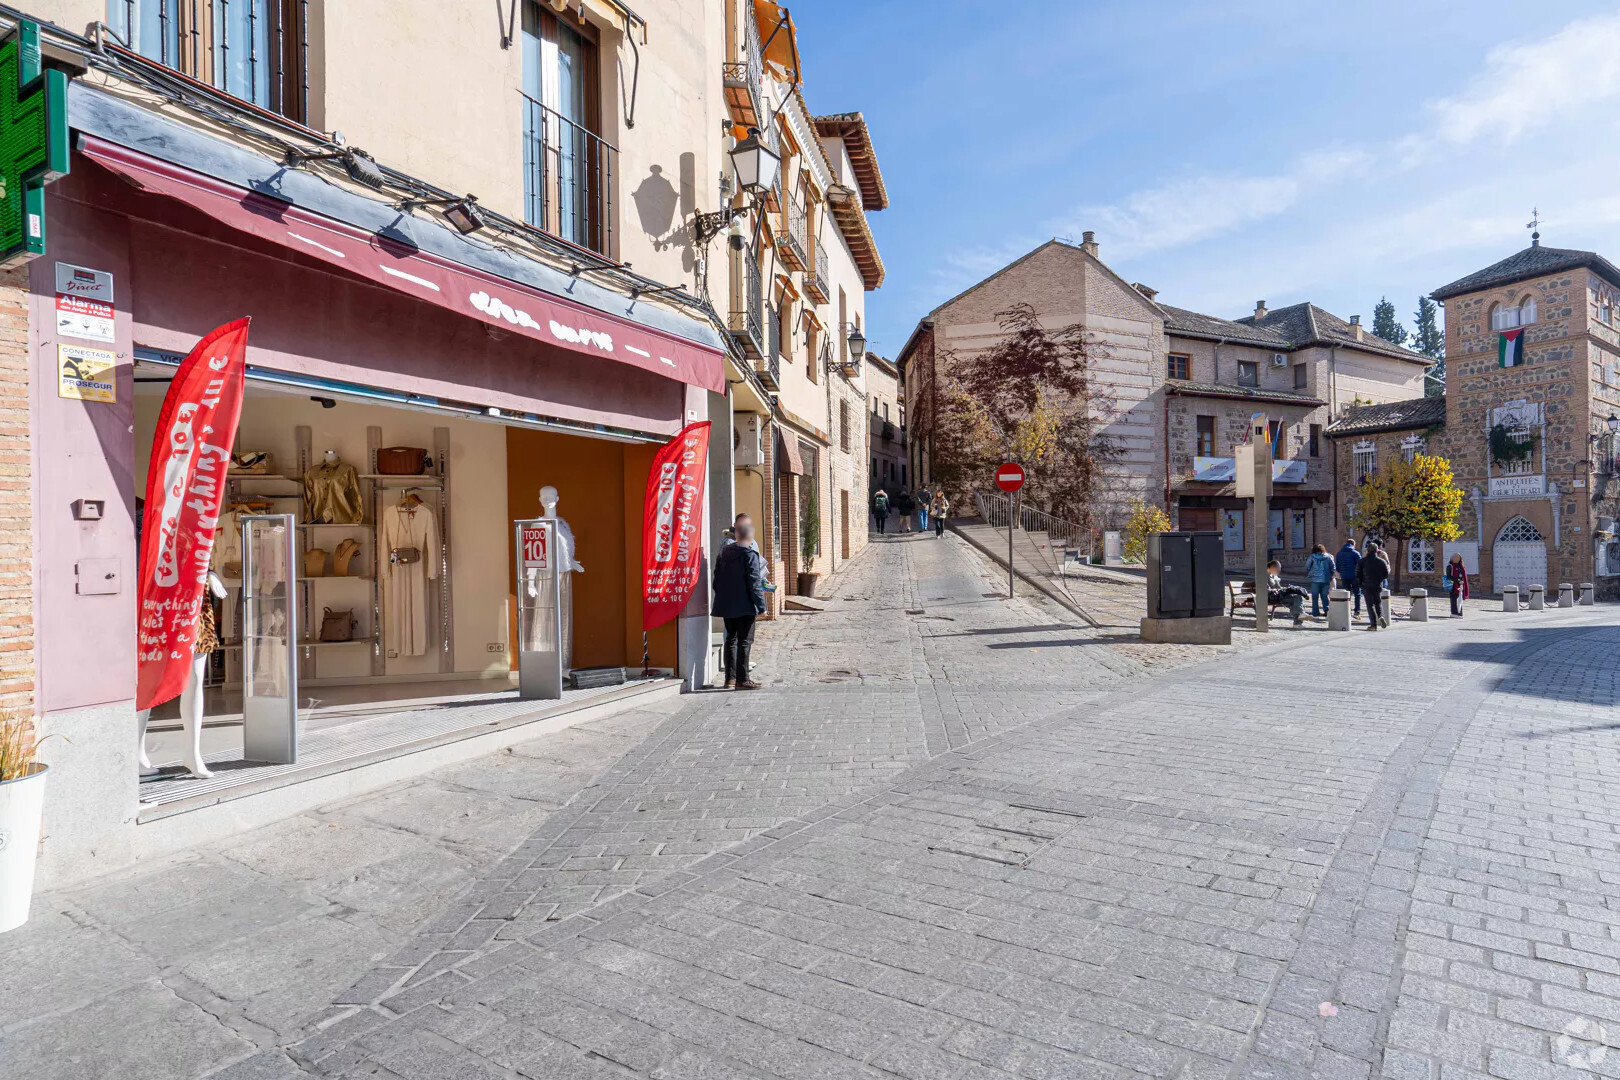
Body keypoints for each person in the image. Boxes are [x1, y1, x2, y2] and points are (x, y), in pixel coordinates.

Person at [712, 520, 767, 689]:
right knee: (744, 641)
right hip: (745, 606)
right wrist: (762, 607)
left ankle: (730, 678)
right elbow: (754, 583)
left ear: (736, 535)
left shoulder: (724, 552)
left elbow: (716, 579)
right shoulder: (749, 554)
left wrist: (724, 597)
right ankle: (743, 680)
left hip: (728, 604)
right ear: (750, 536)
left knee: (730, 640)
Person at [1357, 541, 1391, 630]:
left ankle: (1373, 625)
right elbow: (1385, 574)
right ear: (1376, 551)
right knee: (1377, 602)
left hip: (1366, 585)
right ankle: (1380, 616)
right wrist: (1379, 579)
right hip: (1377, 585)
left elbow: (1358, 574)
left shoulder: (1362, 561)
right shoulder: (1381, 561)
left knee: (1370, 605)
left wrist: (1360, 584)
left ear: (1367, 550)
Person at [1266, 559, 1306, 626]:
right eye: (1277, 569)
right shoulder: (1264, 576)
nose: (1278, 571)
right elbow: (1263, 589)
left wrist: (1285, 589)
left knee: (1297, 596)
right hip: (1270, 597)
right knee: (1295, 600)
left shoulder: (1274, 576)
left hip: (1278, 596)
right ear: (1272, 568)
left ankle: (1299, 618)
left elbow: (1279, 588)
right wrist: (1273, 590)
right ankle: (1298, 621)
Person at [1305, 543, 1336, 619]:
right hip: (1326, 579)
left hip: (1315, 579)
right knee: (1324, 596)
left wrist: (1311, 572)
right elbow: (1333, 567)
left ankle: (1315, 612)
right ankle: (1327, 610)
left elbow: (1307, 566)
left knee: (1315, 597)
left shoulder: (1312, 557)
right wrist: (1330, 575)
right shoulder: (1328, 557)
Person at [1335, 538, 1363, 621]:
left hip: (1344, 576)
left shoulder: (1339, 553)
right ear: (1353, 544)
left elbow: (1338, 566)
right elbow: (1360, 566)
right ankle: (1357, 612)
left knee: (1346, 594)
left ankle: (1346, 610)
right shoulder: (1356, 553)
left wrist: (1342, 572)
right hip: (1355, 577)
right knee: (1357, 594)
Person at [1445, 551, 1469, 617]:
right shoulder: (1450, 566)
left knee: (1459, 599)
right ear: (1452, 558)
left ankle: (1459, 612)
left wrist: (1461, 581)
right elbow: (1449, 577)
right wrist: (1458, 580)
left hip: (1460, 585)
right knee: (1454, 599)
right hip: (1453, 585)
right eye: (1455, 557)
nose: (1457, 559)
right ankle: (1454, 613)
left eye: (1458, 557)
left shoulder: (1460, 566)